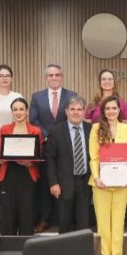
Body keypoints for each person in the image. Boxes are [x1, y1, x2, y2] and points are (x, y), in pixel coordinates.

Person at [29, 63, 78, 232]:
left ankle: (67, 221)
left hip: (67, 148)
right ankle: (44, 220)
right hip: (46, 146)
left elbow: (74, 117)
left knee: (67, 183)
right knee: (46, 185)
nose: (54, 78)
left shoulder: (71, 95)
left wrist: (58, 135)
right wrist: (49, 135)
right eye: (51, 75)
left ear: (61, 76)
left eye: (57, 75)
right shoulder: (37, 97)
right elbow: (34, 121)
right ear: (46, 78)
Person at [89, 95, 127, 255]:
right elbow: (94, 156)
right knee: (103, 222)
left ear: (119, 110)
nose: (111, 111)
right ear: (103, 111)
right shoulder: (96, 128)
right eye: (107, 109)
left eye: (114, 108)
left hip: (122, 183)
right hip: (101, 182)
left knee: (118, 221)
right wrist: (97, 176)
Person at [45, 96, 93, 233]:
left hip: (86, 183)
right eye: (72, 109)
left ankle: (81, 254)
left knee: (83, 225)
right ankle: (64, 254)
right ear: (66, 111)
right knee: (65, 223)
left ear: (84, 112)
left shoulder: (92, 130)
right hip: (64, 184)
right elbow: (50, 159)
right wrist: (53, 183)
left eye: (79, 109)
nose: (76, 112)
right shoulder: (56, 131)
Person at [0, 98, 44, 236]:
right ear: (12, 112)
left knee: (26, 212)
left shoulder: (35, 130)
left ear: (27, 111)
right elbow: (1, 150)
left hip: (27, 175)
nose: (18, 112)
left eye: (21, 109)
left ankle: (25, 247)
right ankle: (7, 247)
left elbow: (39, 153)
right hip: (8, 174)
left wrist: (32, 162)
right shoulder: (4, 129)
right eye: (15, 109)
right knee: (7, 213)